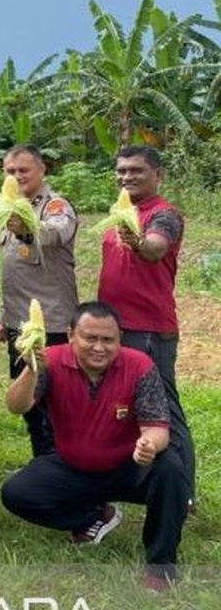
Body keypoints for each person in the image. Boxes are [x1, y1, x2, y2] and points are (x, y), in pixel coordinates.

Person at [1, 302, 188, 592]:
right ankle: (94, 516)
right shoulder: (49, 361)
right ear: (71, 334)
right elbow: (16, 406)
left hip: (129, 466)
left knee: (171, 468)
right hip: (72, 466)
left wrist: (148, 444)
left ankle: (160, 566)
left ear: (120, 338)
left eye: (107, 340)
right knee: (16, 493)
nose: (99, 347)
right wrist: (30, 370)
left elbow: (157, 427)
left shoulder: (139, 365)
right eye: (90, 338)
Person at [95, 145, 196, 506]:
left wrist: (137, 241)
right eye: (121, 171)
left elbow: (154, 248)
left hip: (149, 330)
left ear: (157, 174)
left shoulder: (163, 214)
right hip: (113, 328)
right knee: (118, 407)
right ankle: (129, 481)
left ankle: (182, 492)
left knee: (163, 408)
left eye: (136, 171)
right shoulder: (120, 213)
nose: (126, 177)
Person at [0, 144, 77, 458]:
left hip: (52, 324)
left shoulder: (54, 206)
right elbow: (12, 269)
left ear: (42, 171)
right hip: (19, 322)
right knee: (27, 399)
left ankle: (63, 464)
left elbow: (56, 233)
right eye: (10, 171)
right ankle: (43, 462)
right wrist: (3, 316)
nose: (16, 177)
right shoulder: (8, 209)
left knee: (54, 403)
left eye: (23, 170)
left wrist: (27, 228)